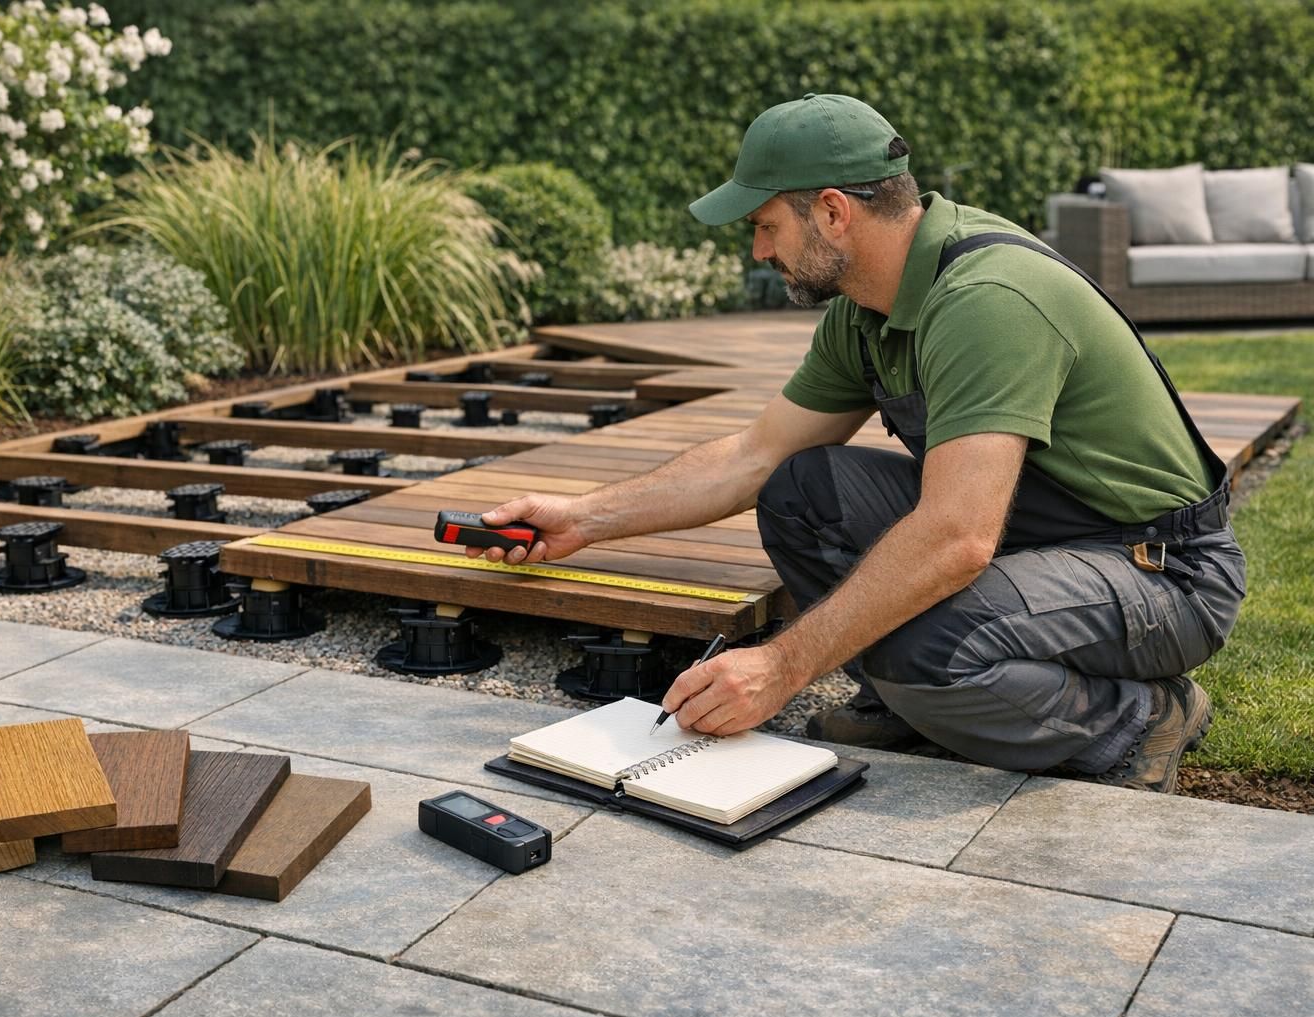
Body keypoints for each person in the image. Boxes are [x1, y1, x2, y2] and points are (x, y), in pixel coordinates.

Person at [467, 94, 1245, 794]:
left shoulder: (985, 301)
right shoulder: (865, 309)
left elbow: (958, 538)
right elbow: (755, 457)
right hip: (1040, 536)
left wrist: (782, 666)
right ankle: (905, 705)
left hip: (1158, 572)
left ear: (834, 212)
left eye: (765, 226)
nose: (758, 254)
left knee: (932, 646)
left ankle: (1140, 719)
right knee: (803, 491)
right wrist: (582, 517)